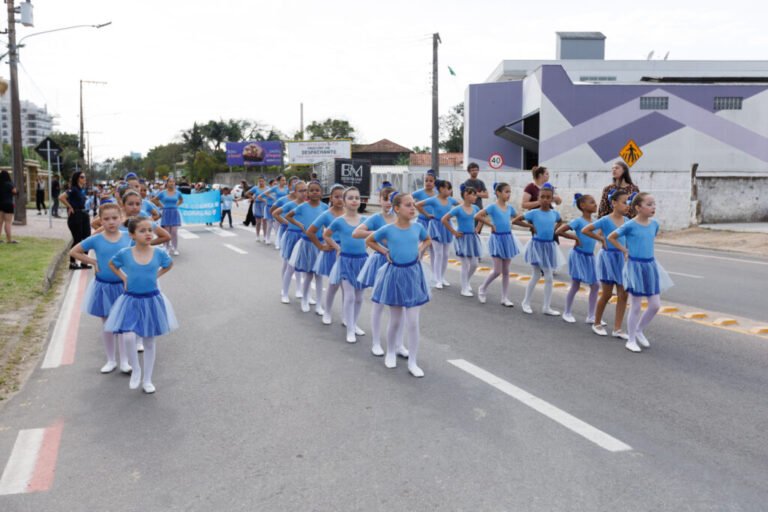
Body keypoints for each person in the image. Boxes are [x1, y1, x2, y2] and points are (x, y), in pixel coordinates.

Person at [105, 217, 177, 393]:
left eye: (149, 230)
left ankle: (147, 379)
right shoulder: (125, 253)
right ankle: (135, 369)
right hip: (131, 299)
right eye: (142, 231)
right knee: (128, 336)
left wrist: (156, 276)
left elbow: (169, 264)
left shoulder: (158, 253)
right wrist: (123, 277)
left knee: (149, 341)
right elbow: (112, 264)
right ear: (132, 235)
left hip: (151, 299)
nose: (148, 234)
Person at [366, 193, 432, 377]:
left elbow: (427, 239)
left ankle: (413, 361)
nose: (413, 208)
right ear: (397, 208)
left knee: (413, 321)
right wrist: (384, 250)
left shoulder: (418, 227)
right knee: (395, 320)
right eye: (408, 205)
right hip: (395, 274)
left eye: (413, 205)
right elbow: (369, 240)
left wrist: (421, 248)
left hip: (413, 274)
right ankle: (391, 352)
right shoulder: (388, 229)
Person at [69, 203, 132, 374]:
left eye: (114, 218)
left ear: (121, 218)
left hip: (123, 286)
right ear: (100, 221)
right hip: (103, 287)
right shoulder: (96, 239)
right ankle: (111, 360)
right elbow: (75, 251)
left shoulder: (128, 237)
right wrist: (94, 262)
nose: (111, 222)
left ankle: (124, 361)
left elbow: (138, 254)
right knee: (107, 325)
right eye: (106, 219)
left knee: (123, 325)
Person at [608, 193, 673, 353]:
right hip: (634, 266)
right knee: (636, 305)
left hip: (650, 266)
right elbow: (611, 237)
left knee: (655, 305)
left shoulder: (654, 224)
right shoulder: (630, 225)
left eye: (654, 204)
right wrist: (624, 250)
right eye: (649, 204)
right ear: (638, 207)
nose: (653, 207)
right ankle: (630, 339)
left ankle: (638, 330)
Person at [353, 186, 401, 356]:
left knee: (398, 305)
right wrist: (379, 233)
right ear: (379, 200)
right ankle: (376, 342)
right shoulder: (376, 218)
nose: (388, 202)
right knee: (379, 304)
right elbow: (357, 233)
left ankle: (398, 344)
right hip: (381, 261)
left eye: (391, 199)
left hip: (399, 264)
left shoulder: (401, 218)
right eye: (385, 198)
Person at [582, 189, 631, 339]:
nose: (627, 205)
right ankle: (596, 323)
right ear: (614, 203)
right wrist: (602, 239)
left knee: (623, 294)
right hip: (608, 259)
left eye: (628, 202)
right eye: (624, 202)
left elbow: (628, 239)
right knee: (607, 293)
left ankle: (617, 328)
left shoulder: (628, 221)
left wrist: (628, 251)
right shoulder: (605, 220)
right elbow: (586, 230)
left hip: (622, 259)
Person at [324, 187, 369, 344]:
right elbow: (326, 235)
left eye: (357, 197)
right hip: (345, 260)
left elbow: (373, 236)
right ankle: (350, 329)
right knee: (349, 296)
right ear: (344, 201)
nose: (355, 200)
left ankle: (353, 323)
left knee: (359, 297)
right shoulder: (339, 221)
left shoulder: (365, 221)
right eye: (350, 198)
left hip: (362, 261)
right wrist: (337, 248)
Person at [474, 183, 528, 306]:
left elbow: (518, 219)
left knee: (506, 271)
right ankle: (482, 288)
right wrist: (491, 225)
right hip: (497, 239)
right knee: (497, 270)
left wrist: (530, 225)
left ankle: (504, 297)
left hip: (508, 239)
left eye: (510, 192)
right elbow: (477, 215)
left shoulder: (510, 208)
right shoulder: (492, 207)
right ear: (498, 193)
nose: (508, 194)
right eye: (506, 191)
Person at [518, 183, 567, 315]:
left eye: (548, 197)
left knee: (549, 277)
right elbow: (516, 220)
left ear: (552, 199)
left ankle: (546, 307)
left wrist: (556, 229)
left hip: (549, 246)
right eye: (542, 197)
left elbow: (560, 221)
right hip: (537, 246)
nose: (545, 199)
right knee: (536, 274)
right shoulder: (534, 213)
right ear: (539, 198)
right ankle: (526, 302)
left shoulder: (554, 213)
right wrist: (532, 227)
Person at [555, 193, 600, 324]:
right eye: (592, 202)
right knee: (575, 284)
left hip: (590, 257)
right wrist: (575, 238)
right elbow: (559, 231)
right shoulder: (578, 221)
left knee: (595, 285)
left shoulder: (595, 223)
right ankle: (567, 312)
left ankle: (591, 316)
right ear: (583, 206)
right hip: (578, 255)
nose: (595, 204)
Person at [285, 181, 328, 313]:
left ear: (321, 193)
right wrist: (300, 225)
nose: (315, 192)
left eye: (317, 190)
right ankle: (304, 299)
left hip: (320, 243)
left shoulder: (325, 207)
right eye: (312, 190)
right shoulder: (303, 206)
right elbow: (288, 216)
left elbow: (329, 223)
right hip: (307, 243)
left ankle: (319, 304)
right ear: (308, 193)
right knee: (308, 274)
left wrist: (326, 235)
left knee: (319, 276)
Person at [307, 184, 345, 325]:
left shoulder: (349, 214)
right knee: (334, 284)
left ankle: (346, 316)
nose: (340, 199)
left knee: (347, 287)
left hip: (347, 253)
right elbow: (310, 231)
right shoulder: (326, 214)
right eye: (336, 196)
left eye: (342, 196)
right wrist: (321, 246)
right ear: (331, 198)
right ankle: (327, 312)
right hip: (332, 251)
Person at [416, 179, 459, 289]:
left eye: (450, 189)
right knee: (438, 254)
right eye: (447, 188)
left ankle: (442, 277)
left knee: (445, 255)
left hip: (447, 227)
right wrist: (427, 214)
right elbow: (418, 205)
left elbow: (461, 205)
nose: (449, 191)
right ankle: (437, 278)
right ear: (441, 189)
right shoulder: (434, 200)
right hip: (436, 227)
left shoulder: (451, 200)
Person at [443, 185, 482, 297]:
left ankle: (466, 281)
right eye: (473, 194)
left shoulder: (476, 208)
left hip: (472, 238)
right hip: (462, 238)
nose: (475, 197)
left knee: (474, 264)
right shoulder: (458, 209)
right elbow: (444, 219)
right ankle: (464, 288)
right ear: (466, 195)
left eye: (475, 194)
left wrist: (478, 228)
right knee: (465, 264)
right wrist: (454, 232)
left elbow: (482, 217)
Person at [273, 181, 307, 303]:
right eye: (300, 191)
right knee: (290, 265)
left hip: (305, 237)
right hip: (292, 236)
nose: (304, 193)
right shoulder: (291, 204)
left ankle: (300, 289)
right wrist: (287, 223)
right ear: (295, 192)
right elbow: (275, 213)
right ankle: (285, 291)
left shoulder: (309, 205)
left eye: (305, 190)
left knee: (304, 266)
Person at [59, 171, 92, 269]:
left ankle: (84, 262)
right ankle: (72, 263)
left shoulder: (82, 189)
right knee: (77, 239)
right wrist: (70, 207)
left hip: (84, 214)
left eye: (85, 177)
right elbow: (61, 197)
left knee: (87, 239)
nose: (84, 179)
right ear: (77, 178)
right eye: (82, 177)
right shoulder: (73, 189)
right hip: (76, 216)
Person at [152, 177, 183, 256]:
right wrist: (162, 205)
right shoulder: (163, 192)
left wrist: (176, 205)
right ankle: (166, 247)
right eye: (170, 182)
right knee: (167, 232)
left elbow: (181, 200)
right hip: (166, 212)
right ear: (167, 183)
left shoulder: (178, 193)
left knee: (174, 232)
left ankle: (175, 248)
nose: (172, 183)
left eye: (173, 182)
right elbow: (155, 199)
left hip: (174, 212)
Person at [463, 162, 488, 230]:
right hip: (469, 210)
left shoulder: (481, 182)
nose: (475, 172)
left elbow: (486, 195)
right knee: (470, 230)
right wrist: (480, 194)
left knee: (478, 231)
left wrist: (475, 193)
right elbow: (465, 196)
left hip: (479, 209)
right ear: (469, 171)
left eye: (476, 170)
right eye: (473, 170)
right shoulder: (466, 183)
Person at [0, 170, 18, 244]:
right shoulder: (9, 184)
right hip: (8, 204)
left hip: (0, 204)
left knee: (0, 222)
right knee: (8, 222)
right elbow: (15, 191)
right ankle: (9, 239)